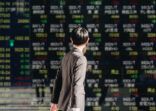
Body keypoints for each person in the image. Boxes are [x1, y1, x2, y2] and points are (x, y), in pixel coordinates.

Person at [50, 26, 89, 111]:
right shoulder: (81, 59)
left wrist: (54, 102)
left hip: (62, 105)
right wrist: (76, 107)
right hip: (73, 106)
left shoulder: (66, 56)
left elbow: (58, 80)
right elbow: (77, 85)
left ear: (71, 40)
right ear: (87, 40)